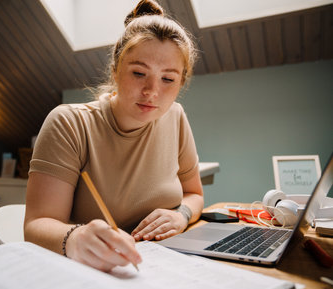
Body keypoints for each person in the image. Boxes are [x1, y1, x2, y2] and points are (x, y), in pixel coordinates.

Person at [24, 0, 203, 272]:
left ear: (181, 81)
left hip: (167, 268)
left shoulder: (175, 116)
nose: (152, 91)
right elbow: (36, 225)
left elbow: (194, 194)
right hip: (91, 273)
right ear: (116, 70)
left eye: (168, 79)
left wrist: (182, 215)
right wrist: (75, 238)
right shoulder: (70, 123)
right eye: (139, 73)